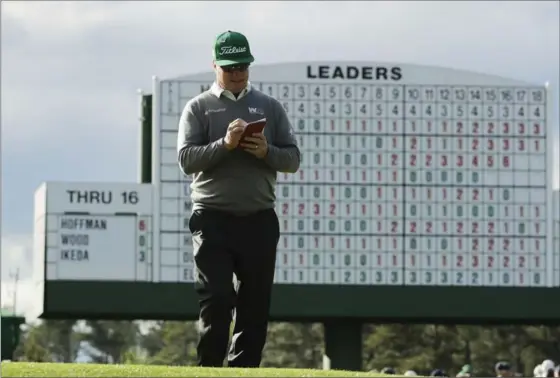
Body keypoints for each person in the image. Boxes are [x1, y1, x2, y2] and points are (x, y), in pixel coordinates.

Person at [177, 30, 300, 368]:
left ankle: (242, 371)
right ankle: (210, 369)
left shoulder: (270, 107)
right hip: (212, 218)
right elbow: (186, 160)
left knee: (255, 304)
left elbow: (292, 159)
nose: (237, 73)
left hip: (259, 218)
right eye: (230, 67)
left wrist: (266, 151)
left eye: (243, 66)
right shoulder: (198, 108)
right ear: (215, 64)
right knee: (217, 299)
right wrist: (224, 145)